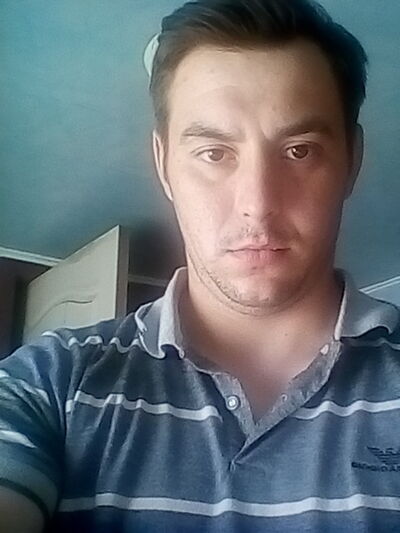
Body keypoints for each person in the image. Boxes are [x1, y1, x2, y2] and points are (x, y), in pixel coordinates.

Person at [1, 0, 400, 531]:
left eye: (300, 150)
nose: (257, 204)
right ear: (164, 165)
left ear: (352, 160)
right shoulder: (49, 384)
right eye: (214, 152)